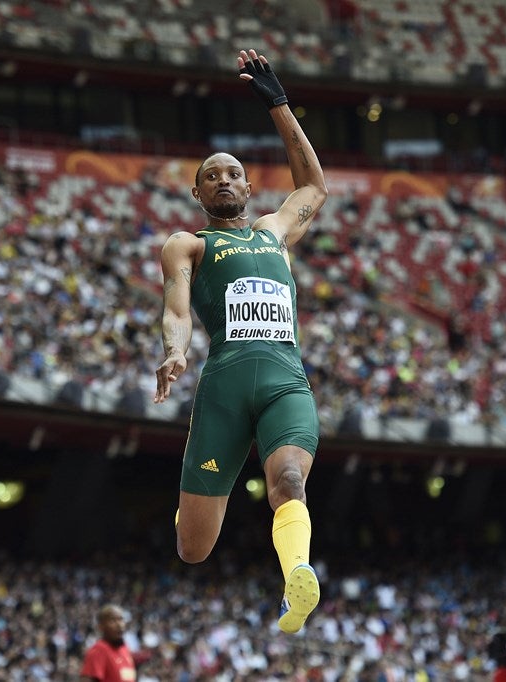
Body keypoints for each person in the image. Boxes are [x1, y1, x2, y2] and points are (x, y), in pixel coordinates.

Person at [153, 48, 328, 634]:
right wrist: (175, 349)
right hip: (225, 386)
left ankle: (297, 577)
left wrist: (278, 104)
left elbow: (313, 186)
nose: (223, 178)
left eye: (233, 173)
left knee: (289, 482)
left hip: (285, 380)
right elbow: (176, 307)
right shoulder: (188, 244)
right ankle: (262, 547)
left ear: (250, 188)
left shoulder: (274, 234)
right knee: (193, 548)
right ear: (198, 194)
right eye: (211, 175)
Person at [79, 604, 135, 682]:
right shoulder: (99, 650)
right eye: (112, 621)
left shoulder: (125, 650)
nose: (119, 625)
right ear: (101, 626)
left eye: (121, 619)